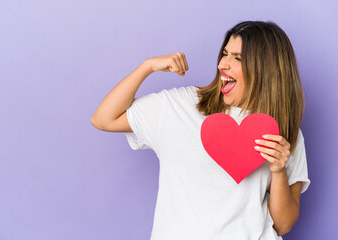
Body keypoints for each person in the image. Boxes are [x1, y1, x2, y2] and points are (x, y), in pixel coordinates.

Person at [91, 20, 310, 240]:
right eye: (225, 53)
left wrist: (278, 170)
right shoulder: (181, 106)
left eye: (238, 58)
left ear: (267, 69)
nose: (223, 64)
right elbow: (104, 119)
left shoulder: (282, 130)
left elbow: (283, 225)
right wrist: (147, 67)